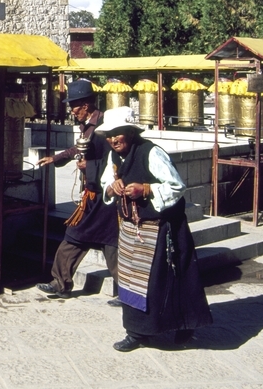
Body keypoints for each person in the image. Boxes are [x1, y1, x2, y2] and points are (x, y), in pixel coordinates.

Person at [97, 106, 212, 351]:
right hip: (132, 229)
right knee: (132, 280)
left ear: (130, 132)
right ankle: (137, 331)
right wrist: (111, 188)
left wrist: (147, 189)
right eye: (109, 135)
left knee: (167, 279)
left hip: (163, 228)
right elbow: (106, 180)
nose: (112, 139)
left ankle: (183, 325)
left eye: (117, 133)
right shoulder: (114, 156)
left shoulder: (152, 153)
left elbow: (176, 186)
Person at [36, 79, 119, 301]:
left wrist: (88, 167)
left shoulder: (104, 127)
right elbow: (78, 148)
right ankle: (60, 283)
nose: (72, 111)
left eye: (74, 106)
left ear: (86, 105)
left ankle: (128, 293)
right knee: (76, 237)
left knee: (110, 244)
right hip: (91, 195)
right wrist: (56, 158)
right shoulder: (88, 126)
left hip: (105, 196)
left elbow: (113, 161)